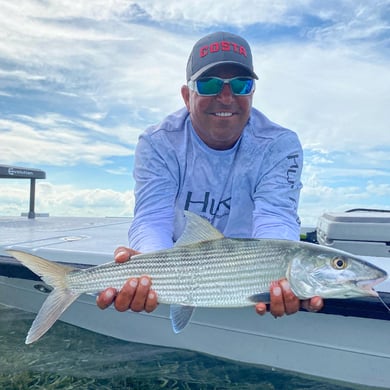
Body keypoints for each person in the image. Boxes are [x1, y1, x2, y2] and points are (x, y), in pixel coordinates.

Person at [96, 31, 323, 317]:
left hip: (250, 278)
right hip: (183, 269)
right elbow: (153, 217)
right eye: (209, 84)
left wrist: (281, 279)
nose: (226, 97)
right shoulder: (158, 142)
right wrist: (147, 272)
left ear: (252, 92)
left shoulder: (279, 145)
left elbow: (276, 218)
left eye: (241, 84)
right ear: (186, 95)